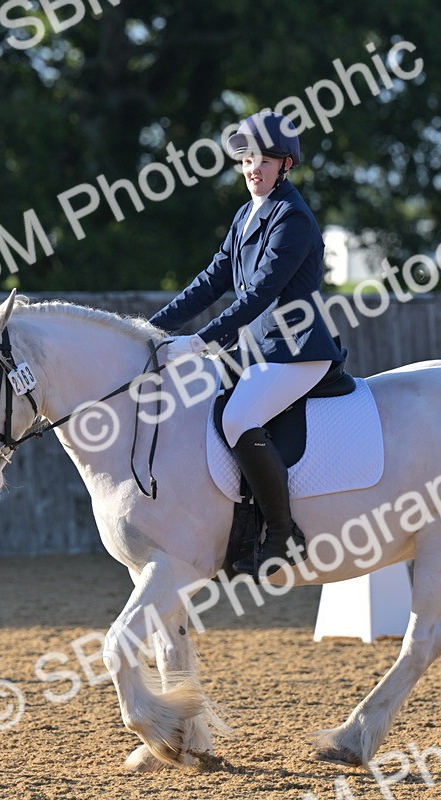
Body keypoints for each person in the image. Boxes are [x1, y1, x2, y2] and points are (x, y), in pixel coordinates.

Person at [148, 110, 345, 579]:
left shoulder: (292, 218)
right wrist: (150, 329)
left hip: (298, 350)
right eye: (246, 159)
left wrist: (198, 340)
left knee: (238, 416)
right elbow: (209, 282)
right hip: (258, 351)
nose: (253, 168)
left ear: (286, 165)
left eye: (265, 159)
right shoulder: (246, 214)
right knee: (199, 402)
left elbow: (260, 294)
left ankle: (282, 532)